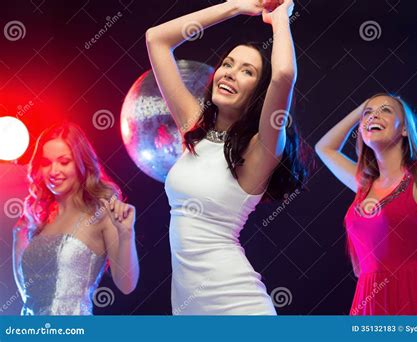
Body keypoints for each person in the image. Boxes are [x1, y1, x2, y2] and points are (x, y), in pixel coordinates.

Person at [146, 0, 313, 314]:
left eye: (247, 72)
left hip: (238, 308)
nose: (231, 74)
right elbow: (157, 39)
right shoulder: (194, 130)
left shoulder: (260, 148)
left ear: (258, 94)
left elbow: (284, 75)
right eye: (228, 64)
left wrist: (280, 17)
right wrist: (233, 6)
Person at [316, 93, 417, 315]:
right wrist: (363, 107)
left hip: (414, 296)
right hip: (367, 301)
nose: (373, 116)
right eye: (369, 114)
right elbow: (324, 148)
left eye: (386, 110)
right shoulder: (364, 185)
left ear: (405, 130)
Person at [13, 122, 139, 315]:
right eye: (46, 162)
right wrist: (19, 236)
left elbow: (126, 285)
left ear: (81, 162)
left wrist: (126, 235)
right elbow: (27, 293)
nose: (54, 171)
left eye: (64, 162)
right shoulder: (35, 217)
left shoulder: (102, 212)